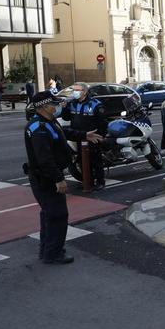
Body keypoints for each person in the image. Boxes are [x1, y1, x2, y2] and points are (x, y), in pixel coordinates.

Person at [24, 91, 102, 264]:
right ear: (44, 107)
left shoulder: (47, 122)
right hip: (45, 178)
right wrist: (58, 179)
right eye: (54, 103)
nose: (58, 106)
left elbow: (62, 132)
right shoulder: (39, 128)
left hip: (45, 176)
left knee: (49, 214)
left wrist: (84, 135)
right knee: (57, 215)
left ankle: (47, 250)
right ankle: (53, 253)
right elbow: (44, 159)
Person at [60, 83, 108, 190]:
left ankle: (100, 182)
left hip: (93, 137)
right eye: (74, 90)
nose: (75, 92)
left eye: (78, 90)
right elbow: (66, 118)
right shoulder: (72, 103)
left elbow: (103, 123)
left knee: (96, 161)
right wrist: (64, 108)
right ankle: (88, 181)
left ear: (85, 92)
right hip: (78, 136)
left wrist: (100, 137)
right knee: (82, 161)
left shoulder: (95, 104)